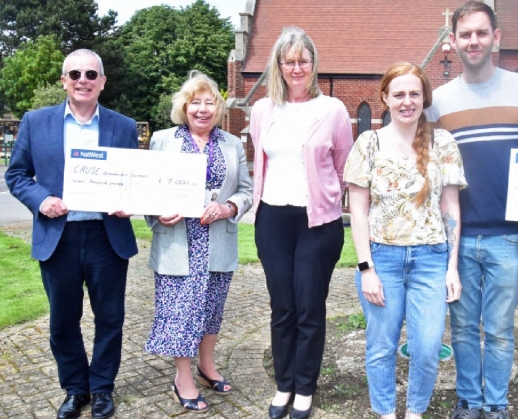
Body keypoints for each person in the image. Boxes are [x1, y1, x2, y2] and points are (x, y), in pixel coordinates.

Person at [424, 2, 518, 418]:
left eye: (481, 32)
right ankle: (469, 401)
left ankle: (496, 405)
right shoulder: (439, 102)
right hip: (458, 237)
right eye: (465, 34)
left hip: (509, 235)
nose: (473, 41)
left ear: (496, 37)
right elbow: (431, 170)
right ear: (453, 41)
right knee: (462, 328)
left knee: (498, 330)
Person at [4, 49, 137, 419]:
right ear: (64, 80)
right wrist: (41, 200)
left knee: (110, 317)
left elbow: (133, 178)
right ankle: (76, 389)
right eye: (75, 73)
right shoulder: (36, 122)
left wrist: (129, 200)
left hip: (106, 236)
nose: (83, 80)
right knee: (63, 320)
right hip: (58, 237)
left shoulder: (123, 126)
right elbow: (16, 175)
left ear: (102, 82)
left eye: (91, 74)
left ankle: (102, 387)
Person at [345, 62, 467, 419]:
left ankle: (415, 412)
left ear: (424, 97)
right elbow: (358, 212)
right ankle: (385, 412)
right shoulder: (368, 143)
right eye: (398, 94)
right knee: (381, 346)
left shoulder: (443, 142)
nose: (407, 101)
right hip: (382, 259)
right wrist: (366, 268)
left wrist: (452, 267)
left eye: (414, 93)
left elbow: (451, 208)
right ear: (385, 98)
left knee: (427, 348)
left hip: (431, 260)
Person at [249, 26, 353, 419]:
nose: (296, 68)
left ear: (313, 64)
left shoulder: (333, 110)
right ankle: (284, 385)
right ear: (278, 65)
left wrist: (326, 199)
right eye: (289, 61)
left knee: (309, 307)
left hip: (317, 223)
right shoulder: (263, 110)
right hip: (272, 218)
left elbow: (343, 166)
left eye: (303, 60)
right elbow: (261, 160)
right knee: (283, 308)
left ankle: (305, 388)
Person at [144, 70, 253, 413]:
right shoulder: (163, 140)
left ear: (218, 109)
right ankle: (183, 379)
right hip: (178, 242)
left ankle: (207, 367)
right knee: (179, 313)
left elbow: (246, 191)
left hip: (217, 241)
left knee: (211, 311)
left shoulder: (232, 144)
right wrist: (157, 211)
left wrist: (228, 207)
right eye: (195, 102)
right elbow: (147, 189)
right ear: (184, 107)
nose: (202, 109)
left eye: (209, 103)